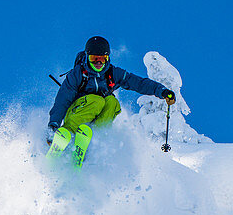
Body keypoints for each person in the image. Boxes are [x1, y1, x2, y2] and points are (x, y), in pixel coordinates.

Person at [47, 36, 175, 143]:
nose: (98, 63)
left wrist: (162, 91)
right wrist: (53, 124)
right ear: (87, 57)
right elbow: (62, 100)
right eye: (94, 59)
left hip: (94, 120)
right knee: (96, 100)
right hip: (76, 113)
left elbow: (138, 83)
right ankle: (68, 134)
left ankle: (96, 140)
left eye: (102, 59)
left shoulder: (112, 73)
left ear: (107, 58)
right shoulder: (78, 74)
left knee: (112, 102)